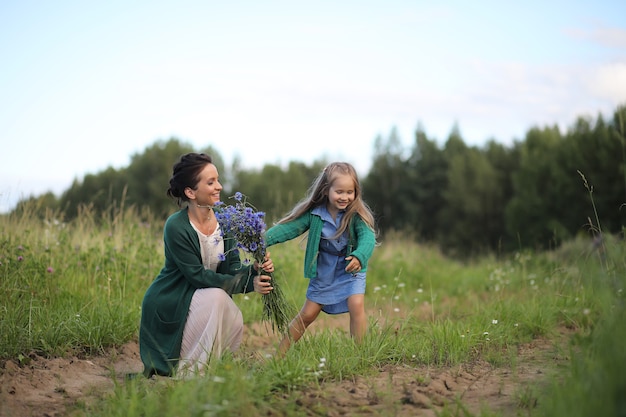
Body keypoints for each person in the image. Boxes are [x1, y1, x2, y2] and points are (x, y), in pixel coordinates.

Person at [139, 153, 274, 377]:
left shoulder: (225, 220)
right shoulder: (176, 226)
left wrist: (255, 272)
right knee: (218, 297)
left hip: (202, 301)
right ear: (190, 192)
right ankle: (192, 373)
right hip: (172, 302)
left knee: (235, 318)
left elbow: (231, 269)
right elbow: (198, 277)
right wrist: (247, 284)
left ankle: (207, 368)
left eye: (218, 180)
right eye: (210, 182)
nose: (219, 187)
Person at [264, 162, 377, 355]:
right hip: (324, 270)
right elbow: (289, 229)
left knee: (356, 304)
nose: (345, 197)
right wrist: (262, 241)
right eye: (339, 191)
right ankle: (279, 355)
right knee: (308, 314)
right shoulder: (315, 215)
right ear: (326, 190)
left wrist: (360, 256)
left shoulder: (355, 215)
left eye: (350, 192)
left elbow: (368, 238)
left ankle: (360, 355)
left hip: (352, 267)